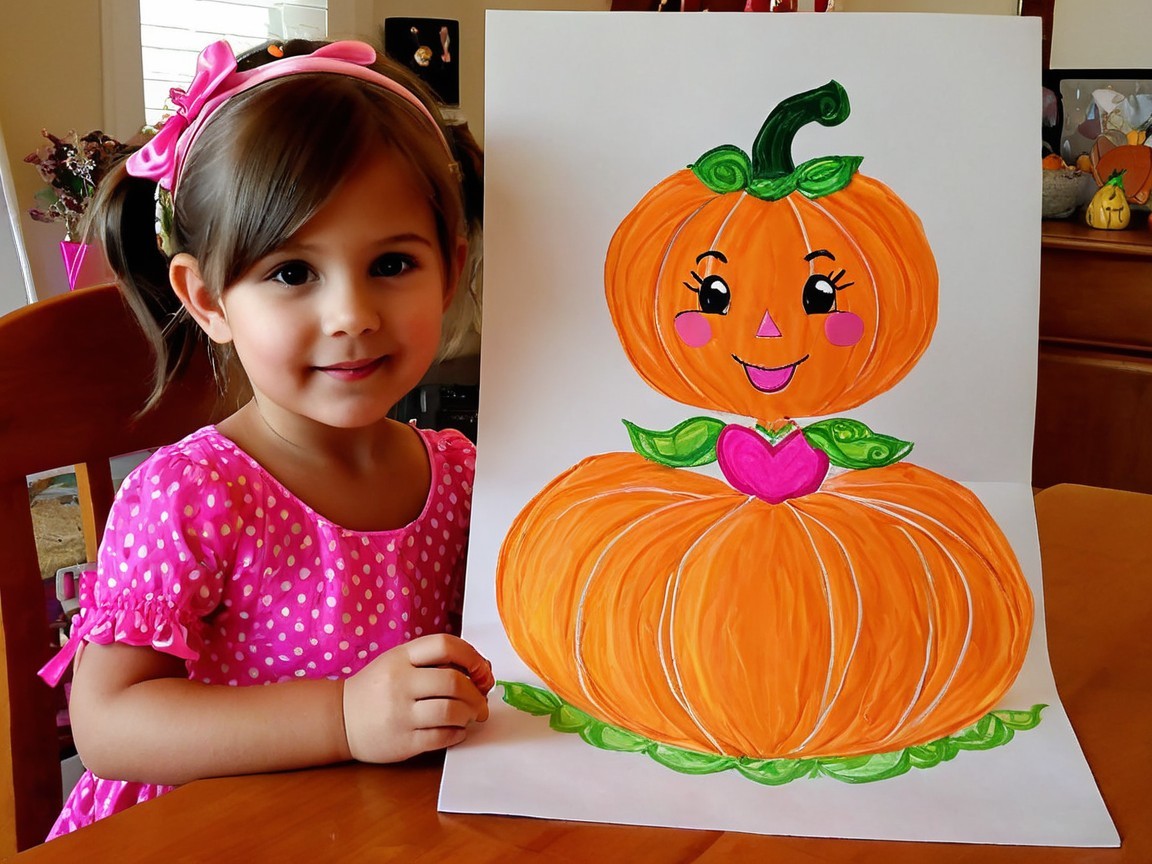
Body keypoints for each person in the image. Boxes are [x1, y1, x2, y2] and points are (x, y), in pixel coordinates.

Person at [38, 37, 493, 839]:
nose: (352, 314)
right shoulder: (191, 495)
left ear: (450, 269)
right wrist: (345, 716)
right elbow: (109, 727)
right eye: (292, 273)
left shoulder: (463, 476)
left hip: (385, 827)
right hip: (206, 833)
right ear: (208, 298)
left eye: (391, 263)